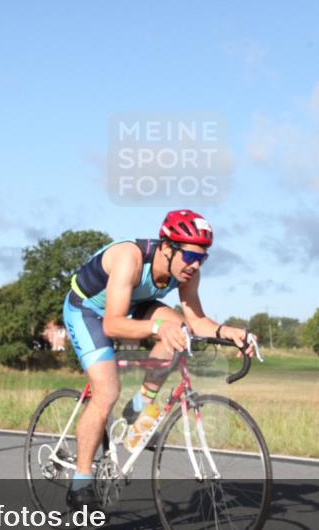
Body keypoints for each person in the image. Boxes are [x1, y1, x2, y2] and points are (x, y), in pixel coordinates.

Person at [61, 209, 254, 510]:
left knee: (181, 330)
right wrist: (158, 327)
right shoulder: (130, 258)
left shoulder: (187, 272)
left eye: (202, 258)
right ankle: (81, 483)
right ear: (167, 247)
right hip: (87, 311)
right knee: (106, 392)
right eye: (190, 257)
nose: (195, 265)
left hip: (131, 306)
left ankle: (137, 408)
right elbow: (112, 325)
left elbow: (198, 321)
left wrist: (228, 332)